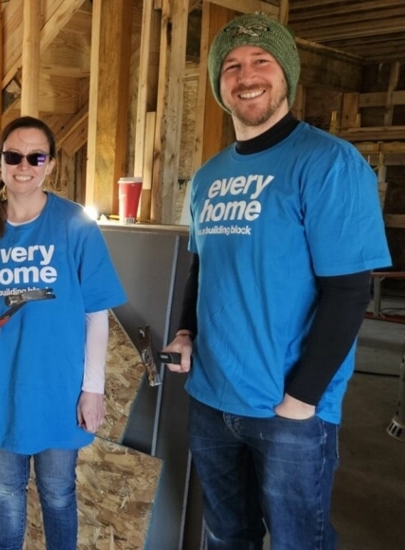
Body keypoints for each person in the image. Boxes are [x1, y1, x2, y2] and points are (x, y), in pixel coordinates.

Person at [161, 12, 391, 549]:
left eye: (262, 62)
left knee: (297, 542)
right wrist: (186, 331)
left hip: (288, 410)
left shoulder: (330, 163)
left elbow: (348, 291)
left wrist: (302, 397)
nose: (247, 76)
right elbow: (204, 266)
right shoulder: (209, 176)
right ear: (221, 84)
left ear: (286, 73)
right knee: (226, 535)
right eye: (233, 66)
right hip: (213, 399)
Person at [0, 116, 126, 550]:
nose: (24, 165)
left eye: (36, 156)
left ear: (49, 165)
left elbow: (96, 314)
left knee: (57, 492)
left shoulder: (75, 225)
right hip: (5, 386)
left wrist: (93, 389)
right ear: (0, 163)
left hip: (60, 387)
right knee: (7, 492)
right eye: (13, 156)